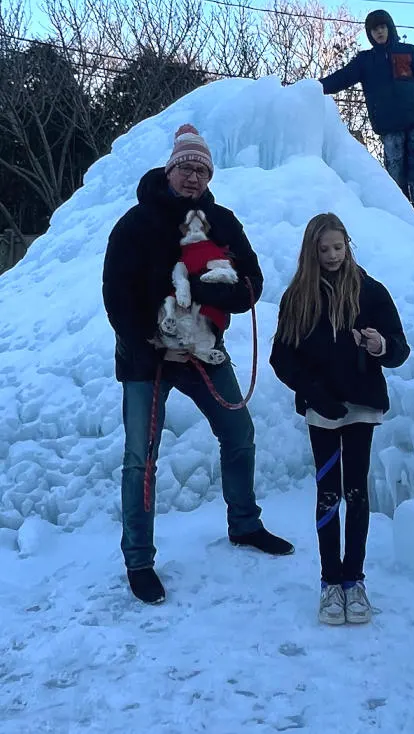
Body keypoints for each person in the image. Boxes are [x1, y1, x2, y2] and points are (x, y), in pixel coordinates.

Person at [103, 124, 294, 605]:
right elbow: (115, 294)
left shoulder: (223, 221)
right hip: (146, 356)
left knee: (238, 431)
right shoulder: (135, 222)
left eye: (201, 170)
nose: (193, 177)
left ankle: (245, 525)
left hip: (203, 349)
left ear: (210, 177)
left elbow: (252, 285)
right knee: (139, 457)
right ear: (170, 169)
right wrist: (146, 341)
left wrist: (203, 292)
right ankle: (139, 560)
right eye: (186, 167)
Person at [269, 213, 410, 625]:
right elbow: (282, 356)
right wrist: (312, 392)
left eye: (338, 247)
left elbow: (400, 350)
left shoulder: (371, 292)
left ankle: (355, 581)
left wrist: (381, 344)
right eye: (323, 249)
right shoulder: (298, 297)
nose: (332, 255)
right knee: (328, 492)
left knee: (357, 492)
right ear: (311, 252)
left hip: (362, 406)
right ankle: (330, 582)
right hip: (322, 409)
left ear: (348, 245)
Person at [320, 9, 414, 222]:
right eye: (374, 29)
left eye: (382, 27)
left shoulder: (408, 51)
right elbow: (341, 78)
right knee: (395, 181)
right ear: (369, 34)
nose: (379, 32)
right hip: (389, 128)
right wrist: (314, 87)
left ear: (390, 28)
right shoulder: (365, 61)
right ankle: (401, 223)